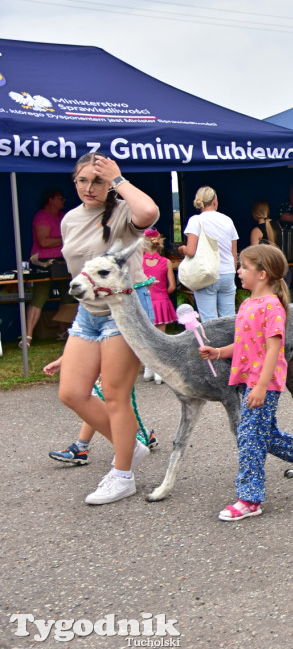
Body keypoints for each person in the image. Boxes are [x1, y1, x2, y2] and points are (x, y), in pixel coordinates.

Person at [56, 153, 160, 504]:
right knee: (71, 392)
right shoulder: (69, 219)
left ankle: (123, 474)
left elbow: (149, 213)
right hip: (88, 314)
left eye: (97, 181)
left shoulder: (120, 214)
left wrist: (117, 179)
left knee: (115, 395)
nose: (89, 188)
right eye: (82, 181)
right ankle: (130, 447)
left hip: (123, 310)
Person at [196, 245, 293, 520]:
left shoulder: (272, 307)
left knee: (250, 438)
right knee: (265, 435)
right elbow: (244, 344)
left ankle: (249, 499)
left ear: (262, 274)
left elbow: (273, 349)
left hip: (262, 384)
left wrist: (262, 386)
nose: (239, 271)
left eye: (244, 267)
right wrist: (218, 352)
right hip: (248, 381)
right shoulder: (247, 304)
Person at [179, 186, 239, 322]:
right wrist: (232, 272)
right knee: (229, 319)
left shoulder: (195, 220)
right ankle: (231, 343)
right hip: (228, 273)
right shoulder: (228, 220)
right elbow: (233, 253)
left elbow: (191, 251)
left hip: (206, 273)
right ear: (215, 201)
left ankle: (212, 344)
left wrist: (182, 249)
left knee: (209, 321)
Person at [23, 188, 68, 347]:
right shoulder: (42, 216)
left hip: (62, 260)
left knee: (68, 296)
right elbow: (44, 242)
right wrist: (64, 239)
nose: (63, 200)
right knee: (39, 297)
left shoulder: (62, 216)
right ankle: (27, 337)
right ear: (50, 199)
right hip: (43, 262)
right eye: (60, 197)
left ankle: (62, 332)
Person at [141, 228, 176, 384]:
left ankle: (149, 367)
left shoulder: (139, 262)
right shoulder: (166, 262)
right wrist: (162, 293)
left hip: (146, 301)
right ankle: (159, 372)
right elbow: (172, 286)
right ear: (159, 244)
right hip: (161, 301)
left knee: (147, 336)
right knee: (160, 338)